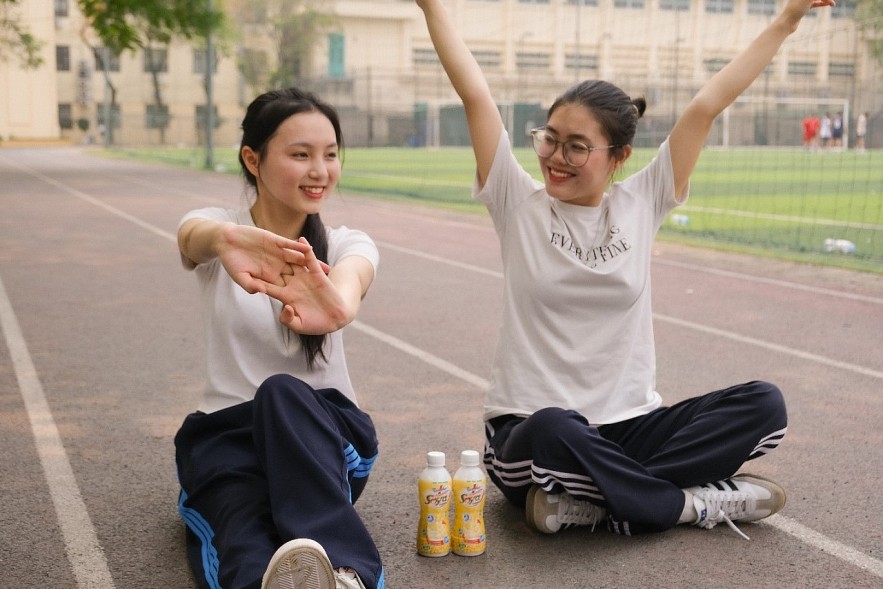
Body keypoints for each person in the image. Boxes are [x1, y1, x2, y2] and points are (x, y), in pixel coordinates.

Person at [416, 0, 833, 540]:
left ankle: (595, 502)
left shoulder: (643, 201)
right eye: (549, 138)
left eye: (577, 147)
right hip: (534, 436)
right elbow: (474, 92)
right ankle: (680, 505)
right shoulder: (516, 200)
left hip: (629, 428)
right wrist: (431, 7)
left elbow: (706, 106)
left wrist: (787, 20)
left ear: (620, 156)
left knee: (763, 404)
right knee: (553, 424)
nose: (555, 157)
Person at [174, 87, 383, 589]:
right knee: (244, 534)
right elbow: (191, 236)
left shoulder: (347, 243)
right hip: (232, 440)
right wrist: (228, 240)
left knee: (283, 391)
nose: (320, 170)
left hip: (324, 434)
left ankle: (349, 575)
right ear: (253, 158)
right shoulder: (222, 235)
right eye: (300, 154)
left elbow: (352, 282)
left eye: (330, 155)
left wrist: (337, 305)